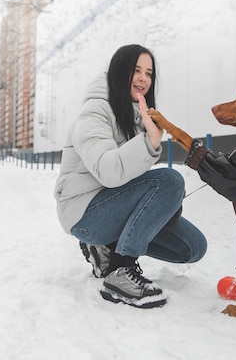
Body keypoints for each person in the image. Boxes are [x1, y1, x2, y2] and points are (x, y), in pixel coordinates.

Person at [53, 44, 207, 308]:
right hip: (83, 213)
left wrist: (164, 208)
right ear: (118, 72)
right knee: (170, 180)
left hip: (112, 207)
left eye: (149, 73)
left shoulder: (137, 117)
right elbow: (109, 171)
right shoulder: (94, 112)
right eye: (136, 70)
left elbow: (134, 184)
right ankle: (119, 272)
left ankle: (107, 246)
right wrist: (149, 143)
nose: (143, 78)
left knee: (192, 247)